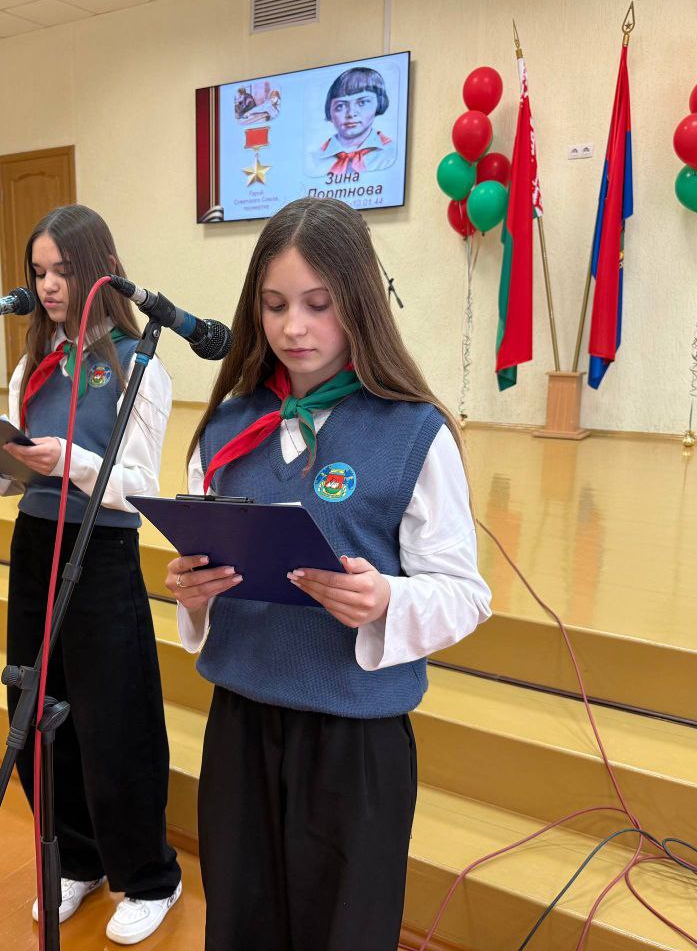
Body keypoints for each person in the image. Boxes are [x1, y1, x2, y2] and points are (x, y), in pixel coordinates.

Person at [165, 197, 491, 950]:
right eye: (275, 305)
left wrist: (385, 599)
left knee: (342, 933)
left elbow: (465, 594)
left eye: (318, 305)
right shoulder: (227, 427)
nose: (293, 328)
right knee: (241, 925)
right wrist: (192, 593)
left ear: (360, 304)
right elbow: (201, 562)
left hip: (355, 740)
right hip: (242, 726)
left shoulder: (413, 431)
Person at [0, 204, 182, 945]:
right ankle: (77, 857)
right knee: (38, 707)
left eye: (62, 270)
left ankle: (150, 875)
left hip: (103, 551)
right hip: (35, 544)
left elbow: (139, 488)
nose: (48, 286)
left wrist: (68, 461)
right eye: (38, 272)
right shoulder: (32, 364)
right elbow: (18, 483)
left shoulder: (140, 366)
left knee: (116, 719)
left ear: (100, 270)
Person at [306, 66, 398, 176]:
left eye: (362, 103)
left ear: (379, 103)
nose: (350, 113)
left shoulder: (393, 153)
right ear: (329, 110)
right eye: (340, 106)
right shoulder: (313, 159)